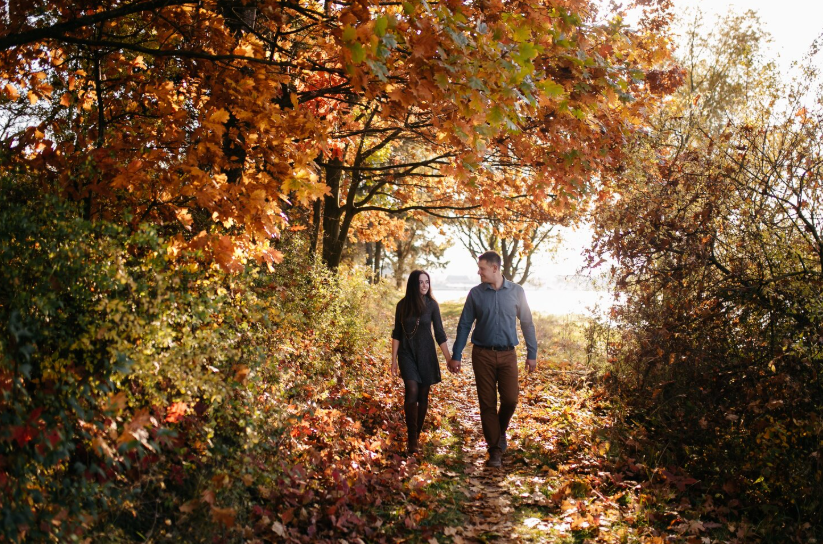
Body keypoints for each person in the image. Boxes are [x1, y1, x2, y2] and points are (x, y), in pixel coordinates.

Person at [448, 251, 537, 467]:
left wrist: (532, 353)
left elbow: (527, 322)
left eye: (482, 268)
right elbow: (464, 325)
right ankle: (495, 449)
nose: (479, 272)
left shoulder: (517, 292)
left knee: (510, 399)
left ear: (495, 268)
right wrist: (457, 355)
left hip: (508, 355)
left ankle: (499, 430)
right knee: (487, 403)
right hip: (482, 355)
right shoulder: (475, 294)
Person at [391, 270, 451, 454]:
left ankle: (416, 435)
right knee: (412, 390)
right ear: (413, 284)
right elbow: (397, 333)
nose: (424, 285)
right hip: (406, 353)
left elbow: (439, 333)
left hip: (426, 354)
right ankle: (411, 438)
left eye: (427, 282)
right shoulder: (402, 305)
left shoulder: (432, 305)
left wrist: (449, 358)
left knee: (423, 396)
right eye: (420, 282)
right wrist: (393, 360)